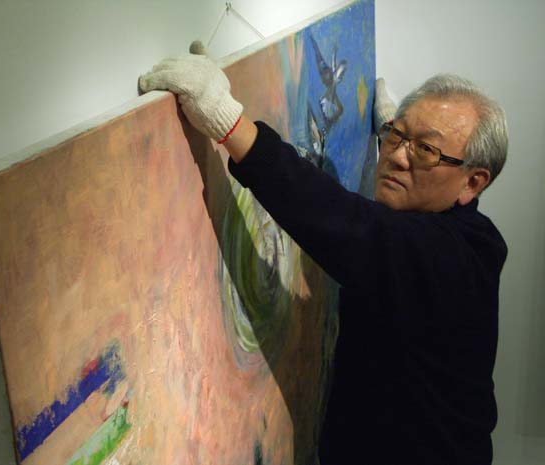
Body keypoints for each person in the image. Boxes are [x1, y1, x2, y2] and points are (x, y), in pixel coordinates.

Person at [139, 45, 508, 465]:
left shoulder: (445, 260)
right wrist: (401, 133)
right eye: (397, 135)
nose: (396, 157)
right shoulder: (468, 230)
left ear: (472, 183)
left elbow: (336, 217)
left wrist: (226, 120)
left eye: (425, 150)